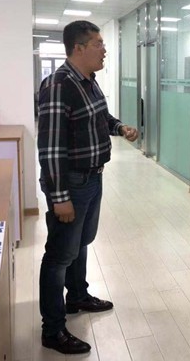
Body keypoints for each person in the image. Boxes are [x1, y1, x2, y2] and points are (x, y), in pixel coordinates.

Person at [37, 20, 139, 354]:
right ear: (79, 48)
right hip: (72, 183)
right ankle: (53, 329)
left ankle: (77, 296)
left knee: (81, 242)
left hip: (93, 177)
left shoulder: (89, 82)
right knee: (59, 256)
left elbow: (99, 118)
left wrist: (120, 127)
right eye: (99, 43)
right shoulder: (58, 85)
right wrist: (60, 197)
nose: (104, 49)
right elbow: (50, 147)